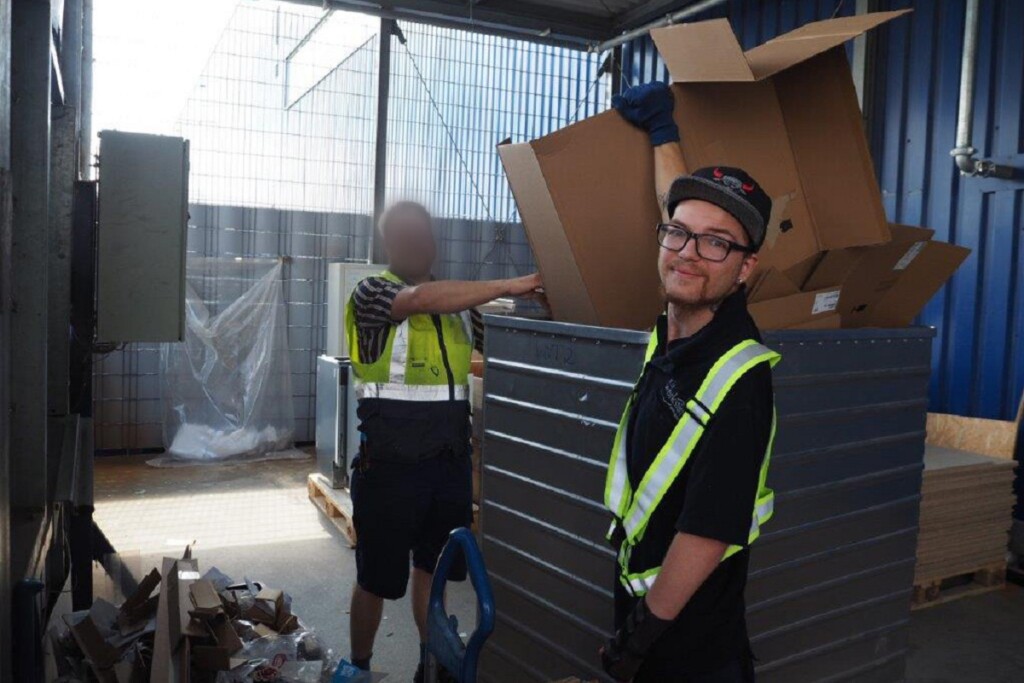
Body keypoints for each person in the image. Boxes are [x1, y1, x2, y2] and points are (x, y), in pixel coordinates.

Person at [600, 82, 780, 683]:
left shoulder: (738, 375)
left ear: (745, 266)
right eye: (678, 232)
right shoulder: (673, 334)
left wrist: (641, 636)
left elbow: (707, 532)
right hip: (647, 612)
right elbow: (679, 221)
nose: (688, 253)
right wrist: (661, 132)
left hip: (689, 645)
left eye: (717, 243)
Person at [344, 201, 543, 682]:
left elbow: (502, 341)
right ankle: (359, 667)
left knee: (431, 573)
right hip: (388, 467)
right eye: (405, 236)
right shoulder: (372, 292)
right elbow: (416, 301)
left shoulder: (460, 311)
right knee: (375, 579)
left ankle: (429, 661)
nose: (417, 244)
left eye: (424, 235)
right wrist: (511, 284)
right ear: (388, 244)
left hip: (447, 465)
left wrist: (541, 305)